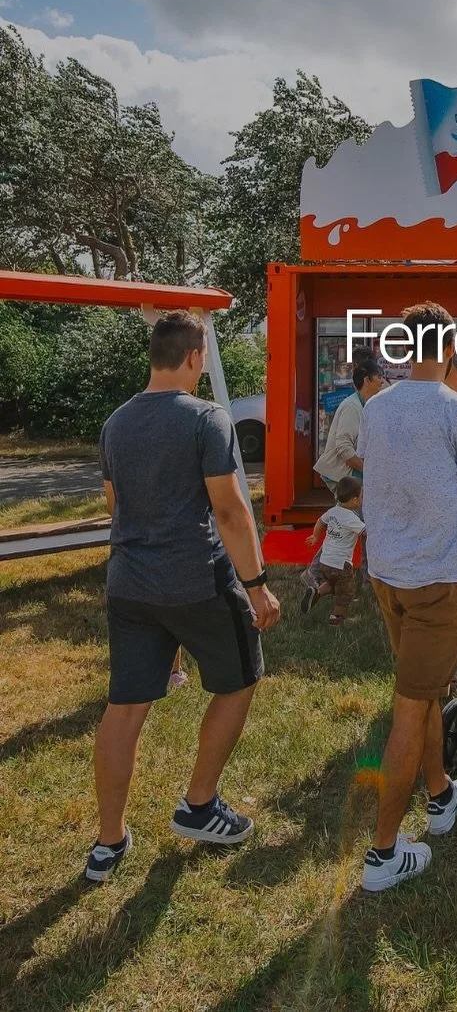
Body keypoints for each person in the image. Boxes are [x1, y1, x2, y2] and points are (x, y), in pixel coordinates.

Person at [85, 311, 280, 884]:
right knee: (240, 680)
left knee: (125, 707)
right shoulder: (206, 417)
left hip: (129, 584)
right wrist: (257, 585)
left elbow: (113, 505)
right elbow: (228, 509)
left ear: (155, 355)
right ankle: (198, 804)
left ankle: (108, 840)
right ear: (195, 358)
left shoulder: (116, 423)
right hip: (196, 582)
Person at [357, 302, 457, 893]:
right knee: (410, 709)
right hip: (436, 580)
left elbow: (387, 477)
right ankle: (382, 854)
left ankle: (442, 795)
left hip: (386, 574)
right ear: (448, 346)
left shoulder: (378, 406)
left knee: (422, 697)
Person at [312, 349, 384, 493]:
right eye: (379, 377)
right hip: (345, 476)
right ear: (367, 380)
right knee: (353, 514)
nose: (382, 381)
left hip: (355, 474)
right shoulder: (351, 407)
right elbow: (344, 447)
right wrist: (372, 473)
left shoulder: (367, 404)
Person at [300, 476, 365, 625]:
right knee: (346, 591)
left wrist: (316, 536)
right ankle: (337, 618)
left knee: (332, 582)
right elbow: (365, 532)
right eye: (361, 497)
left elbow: (320, 521)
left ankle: (315, 593)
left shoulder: (333, 511)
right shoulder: (351, 518)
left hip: (325, 561)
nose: (361, 500)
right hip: (341, 564)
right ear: (355, 500)